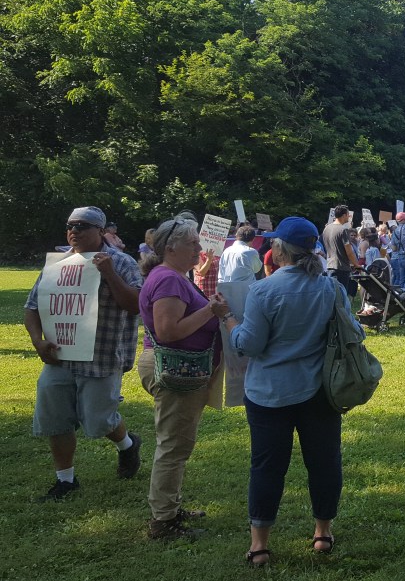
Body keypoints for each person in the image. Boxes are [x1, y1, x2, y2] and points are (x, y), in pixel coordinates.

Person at [211, 217, 356, 567]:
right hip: (320, 392)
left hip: (268, 395)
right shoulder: (331, 288)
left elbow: (248, 344)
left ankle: (259, 545)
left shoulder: (264, 291)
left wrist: (228, 317)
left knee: (266, 467)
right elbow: (352, 333)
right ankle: (323, 532)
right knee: (324, 463)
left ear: (278, 250)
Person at [23, 206, 144, 501]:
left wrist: (109, 274)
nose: (74, 231)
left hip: (101, 357)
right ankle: (66, 480)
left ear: (101, 232)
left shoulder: (122, 262)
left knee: (99, 420)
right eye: (70, 226)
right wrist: (38, 342)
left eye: (83, 226)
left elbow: (136, 304)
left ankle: (128, 445)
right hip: (59, 355)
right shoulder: (58, 264)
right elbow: (32, 307)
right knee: (55, 418)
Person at [137, 213, 222, 540]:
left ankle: (168, 509)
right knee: (173, 447)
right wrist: (210, 311)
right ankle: (163, 522)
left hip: (179, 370)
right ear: (171, 248)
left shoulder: (171, 275)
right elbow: (168, 331)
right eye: (193, 243)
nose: (199, 249)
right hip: (176, 371)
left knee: (176, 444)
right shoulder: (170, 279)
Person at [321, 206, 361, 298]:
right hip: (341, 267)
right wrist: (356, 264)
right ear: (344, 215)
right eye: (348, 215)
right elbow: (349, 251)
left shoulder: (326, 228)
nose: (349, 217)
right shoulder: (343, 230)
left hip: (329, 265)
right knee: (341, 296)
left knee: (331, 294)